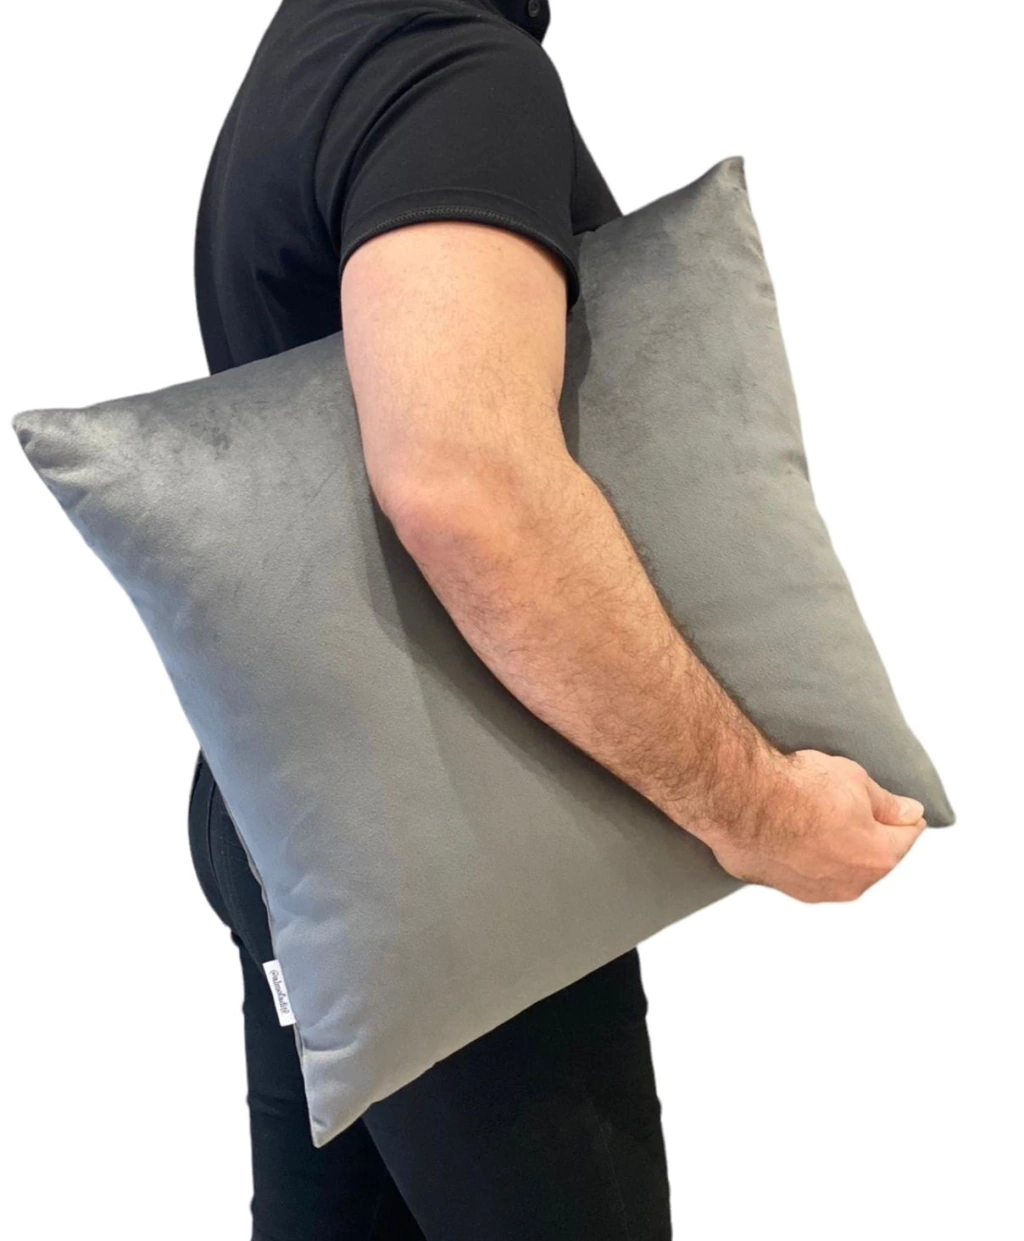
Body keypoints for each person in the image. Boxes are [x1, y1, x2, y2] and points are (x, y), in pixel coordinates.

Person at [188, 2, 928, 1237]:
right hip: (453, 848)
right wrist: (762, 810)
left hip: (299, 817)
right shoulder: (451, 68)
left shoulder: (325, 41)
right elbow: (467, 486)